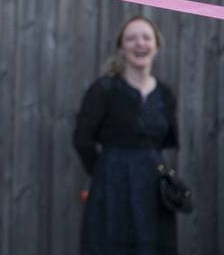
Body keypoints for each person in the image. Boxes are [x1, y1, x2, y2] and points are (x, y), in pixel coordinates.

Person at [73, 15, 179, 255]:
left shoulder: (165, 94)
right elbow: (82, 139)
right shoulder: (104, 90)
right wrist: (105, 171)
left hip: (153, 189)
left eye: (146, 37)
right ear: (121, 48)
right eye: (131, 38)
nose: (139, 44)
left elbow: (165, 142)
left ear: (156, 46)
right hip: (111, 186)